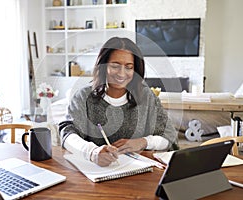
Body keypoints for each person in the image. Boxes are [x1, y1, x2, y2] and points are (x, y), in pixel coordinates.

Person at [59, 37, 178, 167]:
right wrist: (92, 152)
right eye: (115, 66)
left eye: (129, 67)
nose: (122, 74)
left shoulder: (146, 97)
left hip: (138, 174)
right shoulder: (83, 96)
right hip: (96, 173)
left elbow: (170, 137)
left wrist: (144, 142)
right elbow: (67, 133)